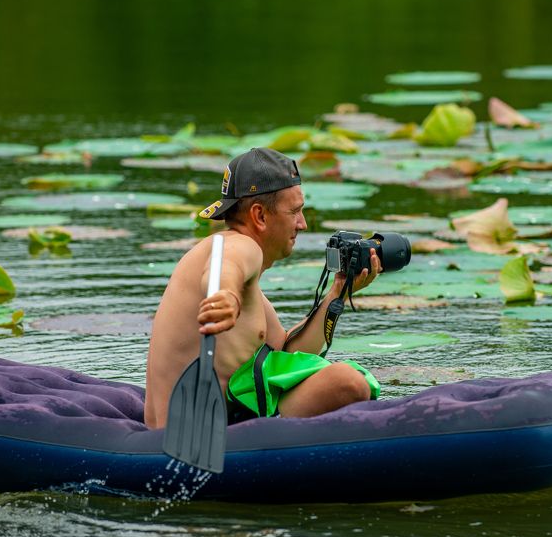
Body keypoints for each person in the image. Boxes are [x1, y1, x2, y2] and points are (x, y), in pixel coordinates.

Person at [144, 147, 381, 428]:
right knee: (348, 382)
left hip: (206, 426)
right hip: (188, 438)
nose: (302, 224)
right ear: (259, 216)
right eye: (294, 211)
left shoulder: (250, 287)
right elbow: (223, 269)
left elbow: (287, 350)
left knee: (340, 380)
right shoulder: (237, 246)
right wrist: (226, 295)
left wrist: (337, 293)